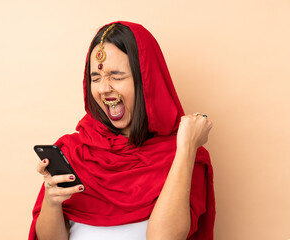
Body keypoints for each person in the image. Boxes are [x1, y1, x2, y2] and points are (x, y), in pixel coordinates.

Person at [29, 21, 215, 240]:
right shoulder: (72, 152)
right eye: (95, 78)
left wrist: (185, 148)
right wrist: (51, 201)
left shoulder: (185, 157)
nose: (103, 88)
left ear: (146, 80)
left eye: (116, 76)